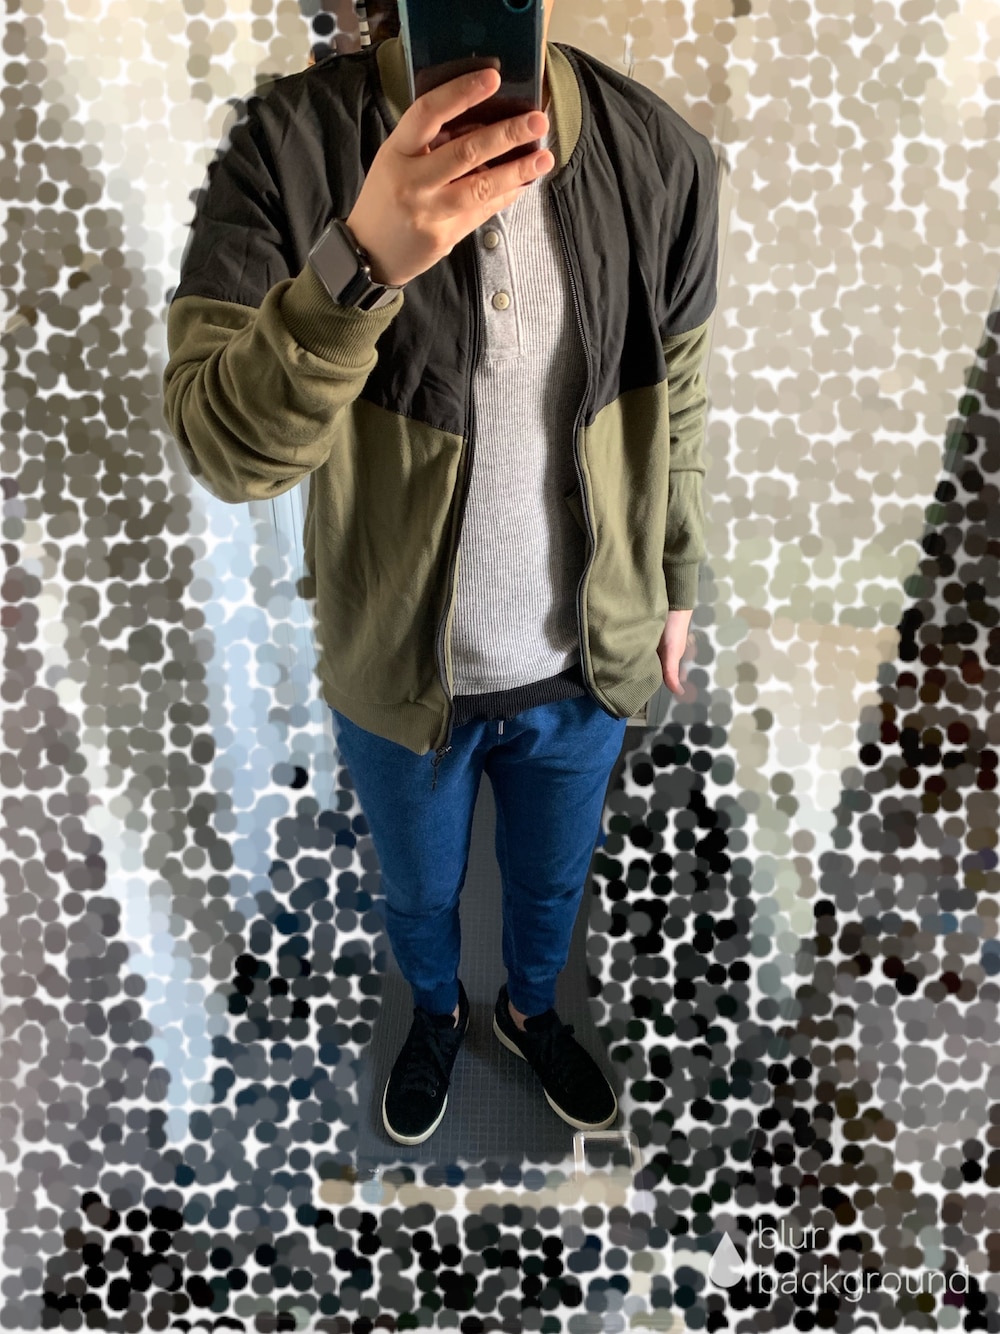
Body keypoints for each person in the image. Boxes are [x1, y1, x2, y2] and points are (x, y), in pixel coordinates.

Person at [163, 0, 718, 1146]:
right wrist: (358, 261)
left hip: (585, 667)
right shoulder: (284, 147)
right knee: (418, 892)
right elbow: (225, 447)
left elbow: (680, 397)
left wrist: (675, 577)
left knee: (550, 885)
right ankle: (434, 1011)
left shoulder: (659, 151)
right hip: (397, 673)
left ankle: (526, 1009)